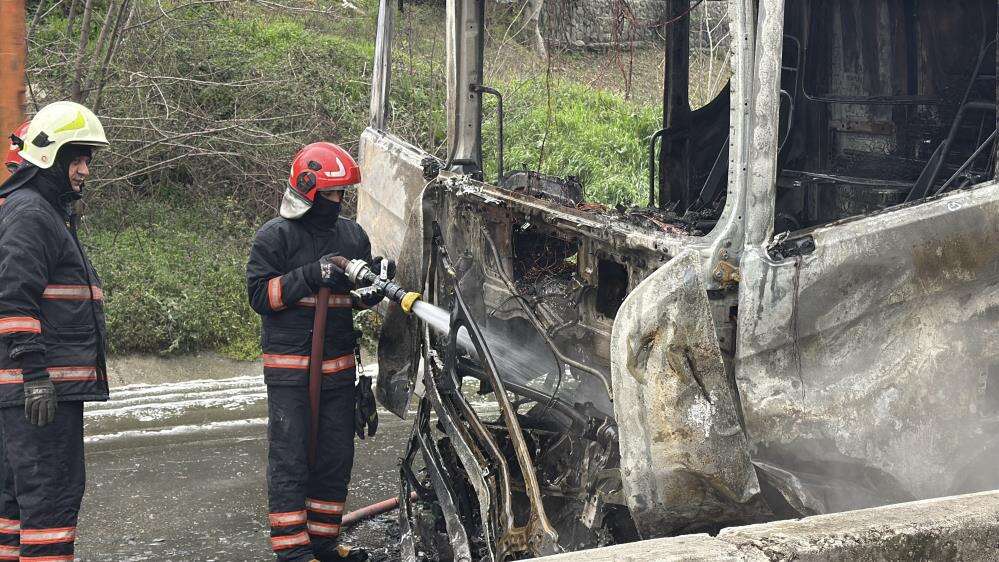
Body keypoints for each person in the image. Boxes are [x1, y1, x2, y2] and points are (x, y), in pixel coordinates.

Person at [247, 142, 381, 562]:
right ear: (306, 189)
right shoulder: (275, 237)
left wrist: (374, 287)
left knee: (335, 458)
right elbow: (260, 295)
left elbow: (352, 299)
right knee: (291, 459)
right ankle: (292, 551)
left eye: (342, 194)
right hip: (291, 373)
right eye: (329, 194)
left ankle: (323, 544)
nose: (336, 202)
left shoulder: (351, 236)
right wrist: (308, 275)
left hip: (339, 371)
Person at [0, 101, 110, 561]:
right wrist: (37, 375)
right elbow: (12, 299)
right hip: (39, 392)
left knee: (14, 503)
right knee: (51, 502)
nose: (84, 170)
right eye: (77, 158)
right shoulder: (31, 214)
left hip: (29, 390)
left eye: (87, 159)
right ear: (51, 156)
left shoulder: (42, 211)